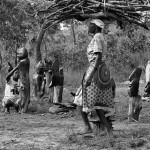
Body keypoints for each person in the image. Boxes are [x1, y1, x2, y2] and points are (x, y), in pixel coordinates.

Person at [74, 19, 115, 138]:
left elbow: (98, 56)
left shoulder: (97, 38)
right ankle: (108, 130)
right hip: (103, 71)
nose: (89, 27)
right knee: (97, 103)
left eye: (91, 25)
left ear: (96, 27)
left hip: (95, 70)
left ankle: (87, 127)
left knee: (79, 99)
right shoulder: (101, 36)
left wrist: (90, 75)